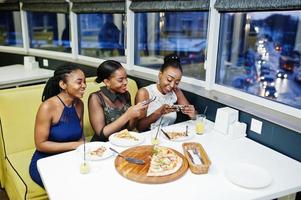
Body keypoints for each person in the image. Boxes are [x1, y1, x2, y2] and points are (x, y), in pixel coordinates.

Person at [29, 65, 86, 188]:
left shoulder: (79, 104)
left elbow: (80, 136)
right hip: (45, 161)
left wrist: (84, 153)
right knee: (68, 187)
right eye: (79, 82)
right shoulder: (47, 107)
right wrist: (75, 145)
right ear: (63, 85)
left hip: (69, 157)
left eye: (85, 81)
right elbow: (40, 144)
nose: (84, 85)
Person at [88, 60, 147, 141]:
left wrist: (135, 115)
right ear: (107, 82)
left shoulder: (126, 94)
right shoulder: (96, 98)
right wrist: (127, 115)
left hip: (122, 141)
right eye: (120, 80)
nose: (125, 82)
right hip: (103, 146)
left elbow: (129, 129)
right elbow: (101, 134)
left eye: (126, 78)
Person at [135, 54, 196, 132]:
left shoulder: (176, 91)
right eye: (169, 80)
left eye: (177, 82)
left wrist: (193, 114)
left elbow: (193, 115)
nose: (172, 85)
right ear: (160, 75)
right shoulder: (144, 93)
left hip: (170, 135)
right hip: (150, 137)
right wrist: (159, 112)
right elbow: (140, 127)